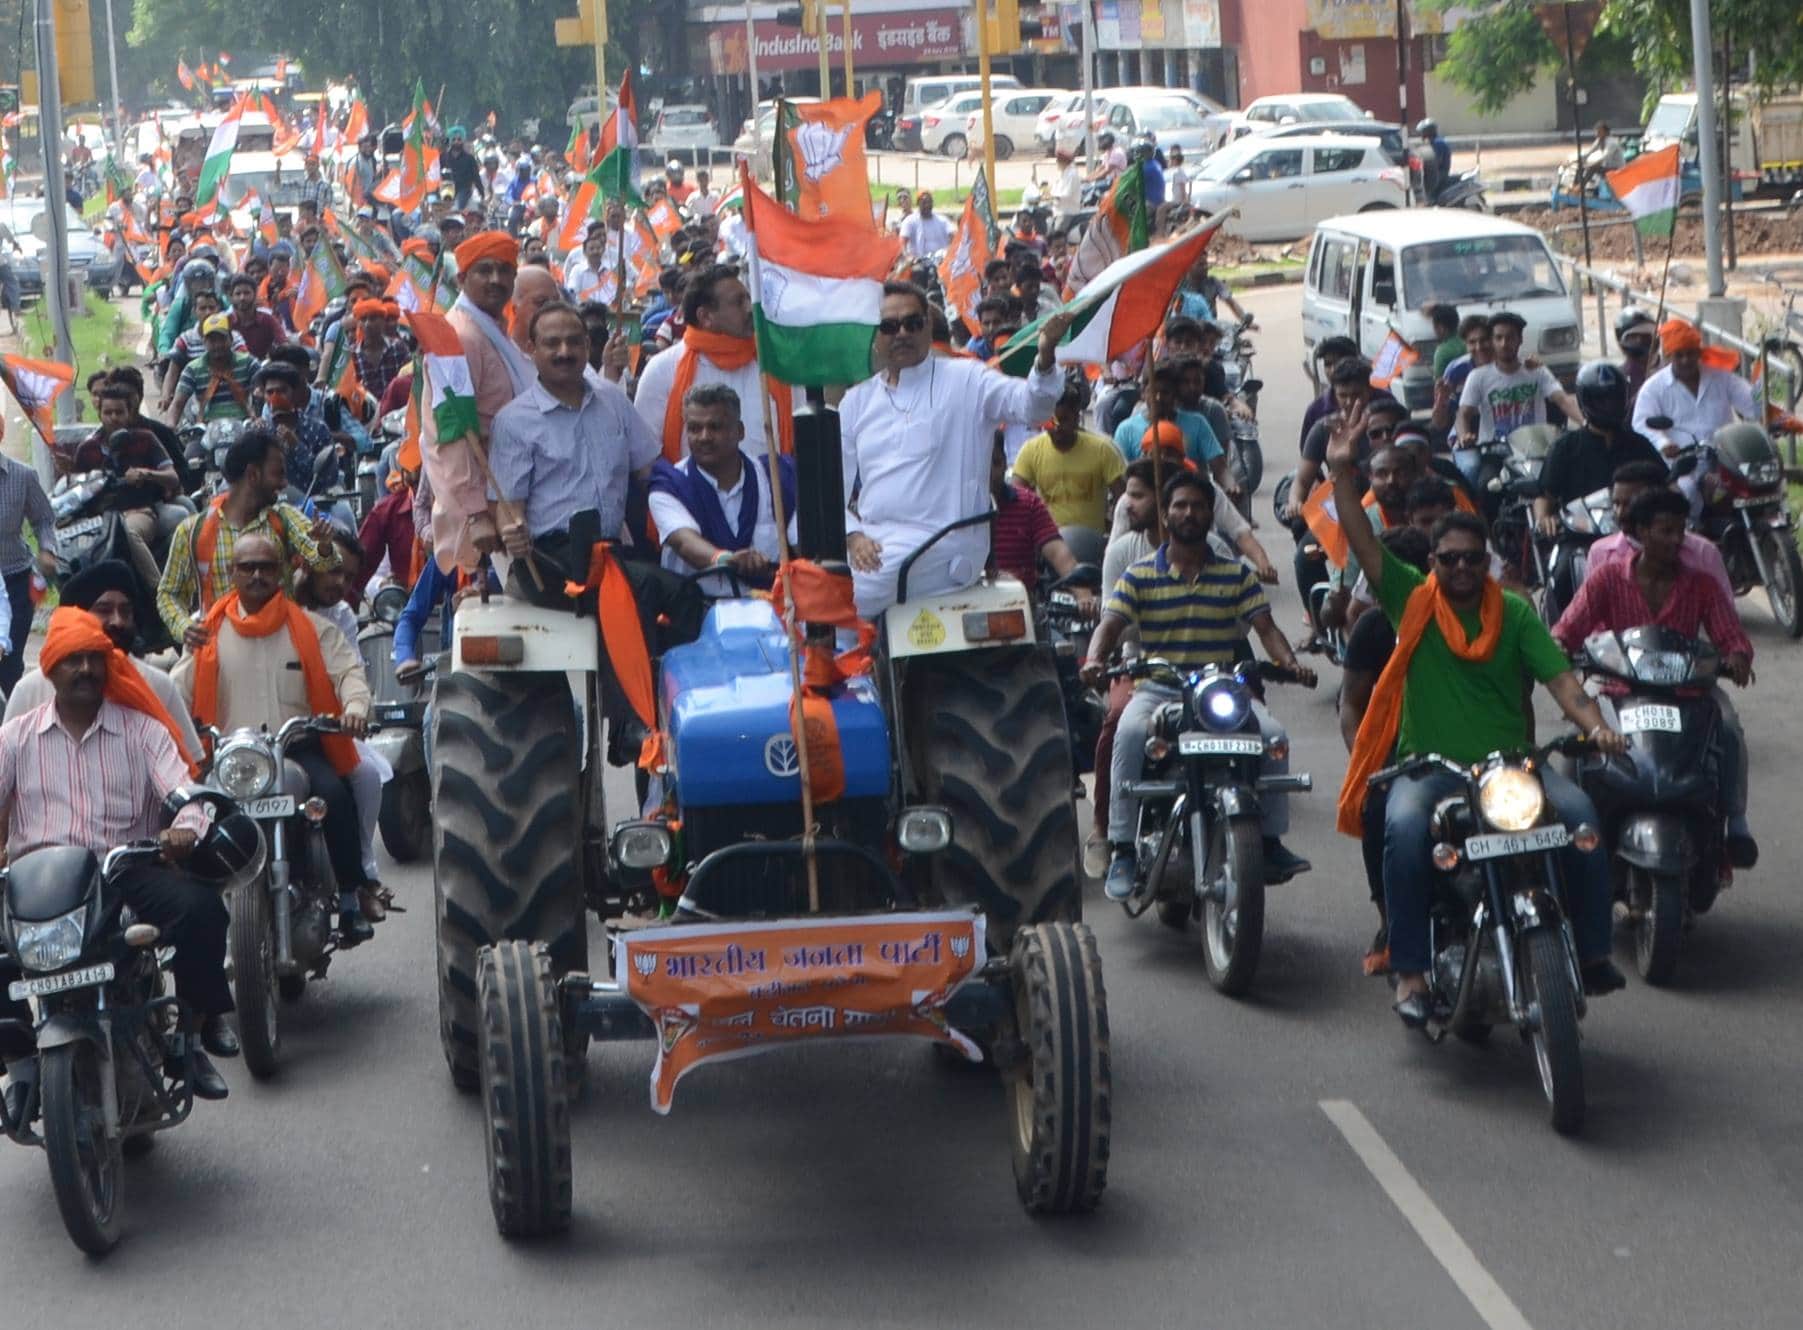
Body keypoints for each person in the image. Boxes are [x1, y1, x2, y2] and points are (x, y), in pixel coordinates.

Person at [1325, 403, 1629, 1025]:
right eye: (1449, 559)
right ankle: (1411, 970)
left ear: (1486, 560)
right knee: (1403, 832)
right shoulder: (1410, 599)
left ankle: (1594, 951)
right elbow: (1361, 540)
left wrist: (1597, 726)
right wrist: (1340, 471)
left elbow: (1563, 684)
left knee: (1582, 818)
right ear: (1432, 563)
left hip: (1512, 769)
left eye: (1472, 558)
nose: (1461, 568)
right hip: (1430, 772)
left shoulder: (1515, 613)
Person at [0, 608, 236, 1103]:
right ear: (51, 669)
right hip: (39, 884)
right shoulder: (15, 738)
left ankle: (189, 1040)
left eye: (94, 659)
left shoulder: (142, 731)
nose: (86, 669)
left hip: (121, 872)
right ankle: (19, 1067)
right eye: (73, 660)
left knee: (203, 910)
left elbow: (185, 794)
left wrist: (185, 829)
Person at [1081, 470, 1316, 901]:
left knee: (1273, 736)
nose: (1189, 513)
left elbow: (1266, 629)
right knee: (1127, 733)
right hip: (1158, 689)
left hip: (1219, 687)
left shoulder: (1236, 575)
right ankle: (1122, 847)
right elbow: (1109, 625)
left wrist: (1291, 664)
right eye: (1180, 505)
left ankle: (1269, 841)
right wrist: (1096, 659)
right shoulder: (1137, 575)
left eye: (1198, 506)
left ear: (1211, 515)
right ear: (1165, 515)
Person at [172, 535, 376, 943]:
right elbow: (178, 689)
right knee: (191, 816)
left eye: (266, 567)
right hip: (231, 757)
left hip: (295, 749)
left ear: (281, 572)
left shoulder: (312, 629)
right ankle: (197, 918)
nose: (257, 575)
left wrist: (355, 707)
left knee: (334, 796)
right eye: (247, 567)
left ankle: (351, 898)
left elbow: (349, 674)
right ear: (233, 573)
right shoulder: (206, 633)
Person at [1551, 485, 1757, 867]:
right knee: (1576, 740)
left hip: (1686, 691)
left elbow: (1731, 634)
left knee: (1728, 727)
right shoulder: (1607, 578)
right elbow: (1567, 628)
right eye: (1666, 531)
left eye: (1681, 530)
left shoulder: (1702, 584)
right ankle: (1572, 831)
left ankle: (1736, 822)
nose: (1676, 539)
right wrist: (1559, 647)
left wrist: (1738, 656)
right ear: (1642, 532)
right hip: (1616, 687)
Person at [839, 282, 1073, 617]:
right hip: (874, 544)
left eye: (912, 323)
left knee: (841, 596)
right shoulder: (857, 401)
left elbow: (1033, 407)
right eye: (889, 326)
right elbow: (831, 488)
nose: (901, 333)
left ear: (927, 327)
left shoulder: (967, 379)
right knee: (816, 582)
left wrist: (1046, 355)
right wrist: (853, 536)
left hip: (944, 545)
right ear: (876, 336)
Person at [489, 302, 662, 584]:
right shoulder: (513, 422)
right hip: (551, 563)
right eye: (552, 343)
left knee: (674, 588)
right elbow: (509, 509)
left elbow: (651, 472)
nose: (564, 352)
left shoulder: (614, 402)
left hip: (612, 553)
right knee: (665, 591)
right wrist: (513, 532)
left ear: (587, 345)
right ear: (532, 349)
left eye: (573, 342)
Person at [1338, 524, 1433, 973]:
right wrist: (1367, 762)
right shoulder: (1373, 628)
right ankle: (1389, 920)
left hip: (1462, 746)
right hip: (1395, 754)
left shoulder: (1459, 619)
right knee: (1375, 811)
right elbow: (1351, 704)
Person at [6, 560, 203, 763]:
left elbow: (190, 767)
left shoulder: (159, 687)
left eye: (125, 611)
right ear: (76, 618)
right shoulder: (31, 691)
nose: (118, 621)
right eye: (104, 610)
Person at [158, 428, 341, 645]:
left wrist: (325, 546)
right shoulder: (191, 531)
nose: (284, 483)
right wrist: (184, 627)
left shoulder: (284, 518)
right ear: (253, 474)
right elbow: (168, 594)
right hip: (220, 650)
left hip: (280, 645)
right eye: (278, 474)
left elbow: (323, 561)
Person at [421, 232, 537, 573]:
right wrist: (475, 514)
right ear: (462, 278)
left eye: (504, 270)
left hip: (508, 495)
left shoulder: (491, 329)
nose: (495, 280)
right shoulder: (460, 337)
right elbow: (453, 433)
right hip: (485, 511)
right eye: (484, 270)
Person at [646, 383, 797, 591]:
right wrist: (726, 560)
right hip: (698, 608)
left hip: (772, 605)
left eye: (715, 427)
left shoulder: (775, 476)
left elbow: (803, 546)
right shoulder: (669, 484)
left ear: (740, 431)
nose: (704, 437)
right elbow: (684, 542)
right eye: (695, 428)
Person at [634, 264, 785, 462]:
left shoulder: (775, 365)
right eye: (738, 302)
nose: (750, 308)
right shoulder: (662, 370)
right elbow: (645, 456)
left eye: (748, 299)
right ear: (705, 317)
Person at [1631, 318, 1761, 518]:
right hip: (1684, 466)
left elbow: (1752, 404)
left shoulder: (1721, 378)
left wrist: (1766, 409)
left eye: (1690, 353)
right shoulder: (1653, 388)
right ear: (1668, 356)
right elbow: (1641, 423)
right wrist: (1663, 443)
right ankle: (1693, 531)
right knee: (1686, 494)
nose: (1686, 360)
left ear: (1699, 352)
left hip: (1725, 459)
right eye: (1679, 355)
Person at [1535, 360, 1663, 534]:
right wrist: (1544, 518)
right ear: (1585, 401)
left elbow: (1665, 485)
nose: (1609, 406)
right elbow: (1544, 496)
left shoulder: (1639, 445)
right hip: (1578, 535)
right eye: (1601, 401)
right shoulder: (1564, 447)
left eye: (1613, 400)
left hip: (1631, 534)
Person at [986, 432, 1097, 607]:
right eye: (982, 465)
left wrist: (1084, 597)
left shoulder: (1028, 503)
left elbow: (1058, 553)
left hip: (1022, 607)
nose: (991, 473)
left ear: (1005, 463)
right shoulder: (953, 510)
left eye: (996, 463)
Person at [1011, 376, 1126, 538]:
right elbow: (1016, 499)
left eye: (1064, 419)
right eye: (1051, 421)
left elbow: (1123, 499)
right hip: (1048, 543)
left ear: (1077, 417)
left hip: (1092, 544)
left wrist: (1115, 532)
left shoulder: (1103, 449)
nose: (1057, 427)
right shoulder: (1030, 451)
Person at [1457, 311, 1579, 445]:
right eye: (1498, 338)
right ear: (1492, 341)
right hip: (1494, 450)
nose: (1504, 344)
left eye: (1510, 337)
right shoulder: (1477, 377)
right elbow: (1463, 414)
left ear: (1520, 339)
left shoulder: (1537, 371)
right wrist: (1464, 436)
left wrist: (1586, 423)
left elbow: (1564, 400)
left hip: (1535, 448)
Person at [0, 435, 60, 694]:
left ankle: (14, 713)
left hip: (15, 579)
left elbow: (44, 518)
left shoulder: (22, 476)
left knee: (9, 662)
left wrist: (47, 549)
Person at [1113, 360, 1228, 487]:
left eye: (1165, 392)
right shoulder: (1126, 430)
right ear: (1143, 394)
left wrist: (1231, 486)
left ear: (1175, 395)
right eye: (1153, 392)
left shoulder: (1197, 423)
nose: (1158, 398)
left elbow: (1220, 468)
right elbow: (1121, 476)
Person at [171, 314, 260, 424]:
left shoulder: (248, 363)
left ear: (231, 338)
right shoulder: (192, 369)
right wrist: (170, 427)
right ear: (204, 342)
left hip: (243, 425)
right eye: (212, 341)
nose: (218, 345)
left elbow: (263, 391)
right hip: (207, 428)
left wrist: (259, 417)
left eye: (222, 339)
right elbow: (178, 404)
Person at [1300, 336, 1361, 452]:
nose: (1333, 370)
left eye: (1338, 362)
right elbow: (1307, 456)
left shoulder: (1381, 400)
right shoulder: (1316, 410)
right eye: (1328, 364)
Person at [1174, 250, 1249, 327]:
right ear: (1188, 266)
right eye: (1201, 264)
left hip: (1210, 329)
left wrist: (1244, 318)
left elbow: (1231, 302)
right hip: (1186, 329)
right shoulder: (1178, 285)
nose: (1206, 267)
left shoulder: (1213, 282)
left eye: (1206, 264)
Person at [226, 272, 285, 359]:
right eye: (238, 294)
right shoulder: (226, 322)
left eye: (247, 293)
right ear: (231, 297)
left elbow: (283, 343)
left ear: (255, 295)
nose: (242, 298)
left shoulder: (268, 319)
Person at [1615, 305, 1656, 408]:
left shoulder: (1668, 370)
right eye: (1634, 337)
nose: (1640, 341)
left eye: (1646, 337)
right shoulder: (1618, 378)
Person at [898, 192, 954, 260]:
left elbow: (953, 236)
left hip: (942, 260)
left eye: (929, 202)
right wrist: (907, 256)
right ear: (918, 204)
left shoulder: (942, 220)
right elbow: (902, 241)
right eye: (924, 202)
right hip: (918, 261)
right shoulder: (910, 220)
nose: (927, 205)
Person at [1428, 303, 1464, 380]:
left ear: (1441, 328)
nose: (1434, 330)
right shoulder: (1469, 342)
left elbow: (1439, 382)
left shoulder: (1442, 352)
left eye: (1434, 326)